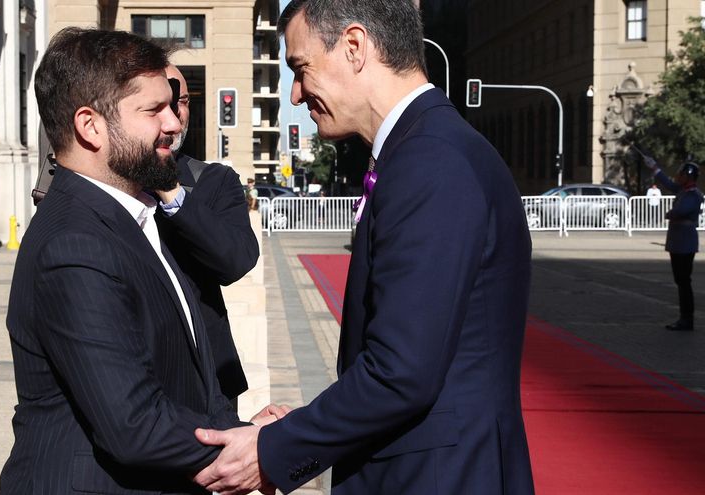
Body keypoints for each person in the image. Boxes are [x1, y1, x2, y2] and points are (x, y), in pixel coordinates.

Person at [192, 1, 535, 494]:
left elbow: (401, 373)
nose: (295, 94)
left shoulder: (430, 161)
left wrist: (274, 448)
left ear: (354, 47)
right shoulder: (427, 148)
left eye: (300, 68)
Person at [0, 28, 277, 494]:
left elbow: (170, 377)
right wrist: (255, 449)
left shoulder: (133, 214)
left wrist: (241, 429)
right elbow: (133, 424)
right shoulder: (76, 243)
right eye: (153, 110)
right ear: (91, 127)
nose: (173, 123)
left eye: (173, 105)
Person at [155, 64, 260, 405]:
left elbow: (236, 261)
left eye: (181, 101)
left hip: (209, 383)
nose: (175, 113)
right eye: (159, 102)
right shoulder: (113, 182)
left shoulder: (214, 180)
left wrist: (171, 193)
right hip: (139, 380)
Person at [644, 155, 704, 331]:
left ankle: (687, 319)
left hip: (685, 243)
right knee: (681, 281)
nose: (678, 176)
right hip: (679, 242)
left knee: (684, 282)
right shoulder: (684, 191)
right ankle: (684, 318)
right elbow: (669, 184)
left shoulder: (692, 194)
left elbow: (680, 211)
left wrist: (670, 213)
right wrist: (654, 167)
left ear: (688, 176)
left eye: (681, 174)